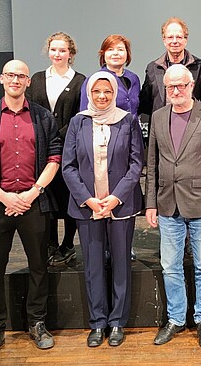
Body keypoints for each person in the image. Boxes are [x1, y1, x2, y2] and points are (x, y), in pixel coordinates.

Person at [0, 60, 62, 360]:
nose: (15, 80)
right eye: (10, 75)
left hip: (34, 202)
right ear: (2, 78)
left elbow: (54, 157)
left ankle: (37, 323)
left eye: (21, 76)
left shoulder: (43, 117)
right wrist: (4, 196)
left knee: (39, 267)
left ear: (29, 82)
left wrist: (33, 193)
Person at [145, 64, 201, 349]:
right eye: (170, 87)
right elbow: (152, 163)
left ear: (191, 85)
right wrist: (150, 203)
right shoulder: (158, 117)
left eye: (181, 85)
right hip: (168, 203)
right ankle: (176, 319)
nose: (176, 91)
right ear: (165, 89)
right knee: (170, 267)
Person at [62, 71, 144, 347]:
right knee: (93, 266)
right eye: (96, 91)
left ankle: (117, 322)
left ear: (114, 93)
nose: (101, 96)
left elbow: (136, 165)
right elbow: (68, 166)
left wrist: (116, 197)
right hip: (87, 208)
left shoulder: (127, 120)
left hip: (120, 206)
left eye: (107, 91)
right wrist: (88, 199)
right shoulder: (78, 122)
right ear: (88, 93)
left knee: (121, 264)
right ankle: (98, 323)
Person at [79, 34, 141, 261]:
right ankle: (103, 246)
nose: (116, 53)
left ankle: (122, 246)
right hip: (99, 142)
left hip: (125, 139)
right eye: (111, 49)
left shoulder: (133, 79)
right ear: (103, 54)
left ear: (128, 54)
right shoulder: (94, 80)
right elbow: (85, 115)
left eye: (121, 49)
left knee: (123, 190)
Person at [27, 31, 86, 266]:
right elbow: (31, 110)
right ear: (48, 51)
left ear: (70, 53)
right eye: (54, 49)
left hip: (70, 148)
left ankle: (68, 244)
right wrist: (45, 138)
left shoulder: (80, 80)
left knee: (70, 195)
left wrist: (58, 136)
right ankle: (51, 243)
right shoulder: (38, 78)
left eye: (63, 50)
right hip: (42, 150)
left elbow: (79, 116)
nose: (57, 54)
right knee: (47, 197)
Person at [138, 17, 201, 118]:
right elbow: (145, 104)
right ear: (164, 40)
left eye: (179, 37)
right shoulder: (153, 68)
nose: (174, 41)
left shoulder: (200, 67)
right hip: (161, 128)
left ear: (185, 40)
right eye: (170, 37)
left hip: (192, 126)